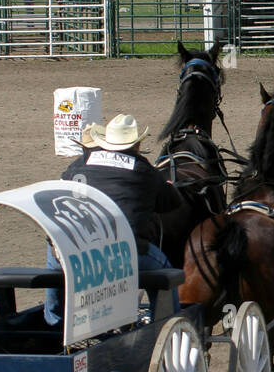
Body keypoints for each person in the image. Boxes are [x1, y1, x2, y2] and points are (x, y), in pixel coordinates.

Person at [43, 114, 180, 326]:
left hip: (72, 251)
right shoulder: (143, 169)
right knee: (165, 269)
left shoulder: (81, 163)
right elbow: (171, 204)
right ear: (136, 144)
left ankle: (53, 321)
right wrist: (167, 186)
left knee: (54, 258)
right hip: (121, 253)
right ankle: (164, 324)